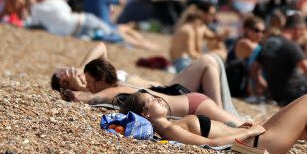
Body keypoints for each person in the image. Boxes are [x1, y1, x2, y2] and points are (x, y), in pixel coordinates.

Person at [121, 92, 307, 154]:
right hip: (258, 143)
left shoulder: (173, 125)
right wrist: (248, 133)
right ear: (145, 114)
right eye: (151, 101)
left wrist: (240, 129)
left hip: (255, 137)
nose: (158, 99)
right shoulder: (171, 130)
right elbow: (210, 144)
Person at [52, 42, 239, 114]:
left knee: (211, 60)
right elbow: (83, 98)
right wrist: (78, 86)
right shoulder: (97, 89)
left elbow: (101, 47)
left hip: (169, 87)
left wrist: (80, 67)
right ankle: (222, 114)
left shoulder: (97, 74)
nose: (72, 73)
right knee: (207, 61)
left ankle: (221, 112)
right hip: (167, 95)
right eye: (66, 77)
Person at [83, 0, 159, 51]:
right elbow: (122, 1)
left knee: (126, 28)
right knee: (126, 34)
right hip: (105, 28)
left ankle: (146, 43)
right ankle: (145, 45)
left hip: (97, 28)